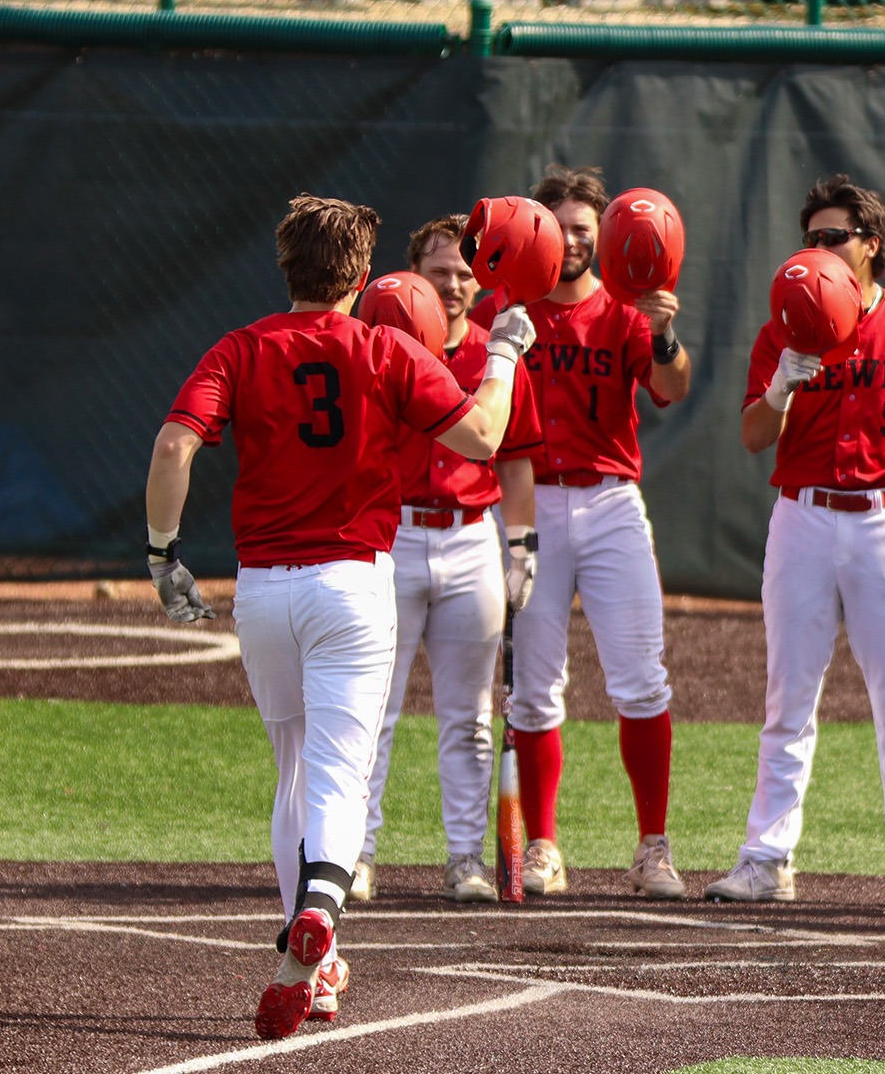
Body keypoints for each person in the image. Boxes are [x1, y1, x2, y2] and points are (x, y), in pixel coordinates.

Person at [145, 195, 532, 1038]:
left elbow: (175, 446)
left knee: (293, 767)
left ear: (286, 268)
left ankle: (313, 960)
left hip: (264, 591)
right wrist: (501, 352)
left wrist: (161, 555)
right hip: (352, 582)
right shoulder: (385, 346)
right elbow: (482, 439)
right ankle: (316, 918)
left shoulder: (241, 348)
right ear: (361, 276)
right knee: (339, 772)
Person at [706, 175, 885, 907]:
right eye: (811, 238)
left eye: (835, 237)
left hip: (883, 516)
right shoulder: (784, 326)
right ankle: (766, 857)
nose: (820, 249)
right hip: (804, 514)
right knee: (790, 693)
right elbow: (753, 437)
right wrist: (780, 384)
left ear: (872, 245)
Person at [470, 165, 693, 899]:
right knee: (533, 690)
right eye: (558, 225)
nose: (570, 240)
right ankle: (542, 845)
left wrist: (664, 335)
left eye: (582, 229)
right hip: (529, 506)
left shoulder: (628, 312)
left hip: (609, 501)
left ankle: (652, 847)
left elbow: (671, 388)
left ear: (604, 238)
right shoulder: (508, 311)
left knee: (640, 679)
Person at [350, 217, 542, 904]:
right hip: (394, 533)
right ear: (413, 280)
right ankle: (356, 855)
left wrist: (520, 546)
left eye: (466, 273)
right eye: (441, 272)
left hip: (469, 536)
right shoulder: (377, 350)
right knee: (375, 709)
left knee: (468, 716)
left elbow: (516, 460)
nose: (456, 285)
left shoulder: (499, 352)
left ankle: (466, 860)